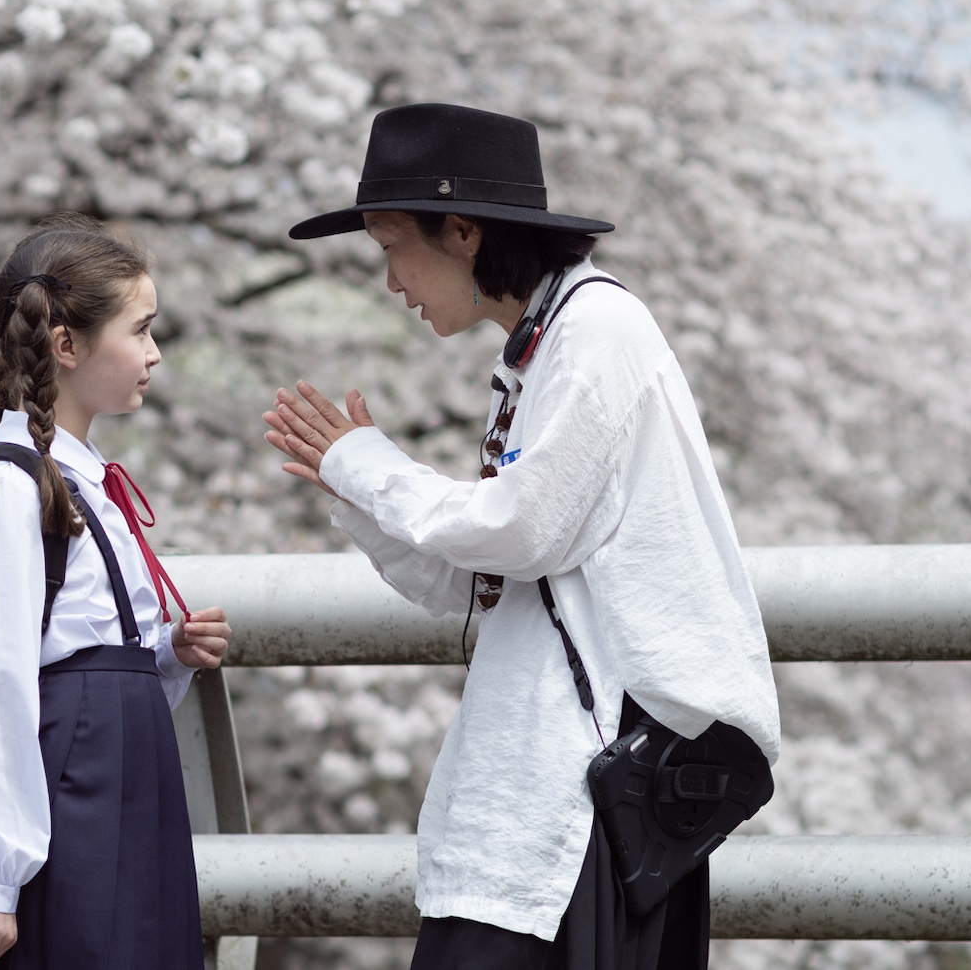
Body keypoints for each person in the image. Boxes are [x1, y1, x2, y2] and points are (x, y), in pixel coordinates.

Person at [264, 103, 780, 969]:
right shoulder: (542, 344)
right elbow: (475, 581)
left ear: (463, 231)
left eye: (392, 246)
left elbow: (521, 530)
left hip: (591, 786)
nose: (390, 281)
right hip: (554, 784)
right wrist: (348, 485)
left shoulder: (597, 329)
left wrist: (370, 467)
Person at [0, 213, 232, 970]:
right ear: (66, 344)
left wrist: (164, 654)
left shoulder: (85, 479)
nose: (154, 352)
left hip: (122, 784)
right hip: (66, 802)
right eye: (140, 329)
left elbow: (84, 657)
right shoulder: (6, 488)